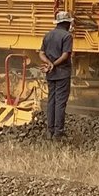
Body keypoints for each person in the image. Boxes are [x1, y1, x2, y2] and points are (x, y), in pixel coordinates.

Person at [39, 10, 74, 139]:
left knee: (51, 101)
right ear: (67, 23)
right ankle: (58, 132)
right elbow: (65, 55)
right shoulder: (67, 36)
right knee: (60, 102)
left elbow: (41, 53)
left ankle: (50, 131)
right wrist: (54, 63)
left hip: (50, 74)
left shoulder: (48, 35)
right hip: (62, 73)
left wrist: (49, 63)